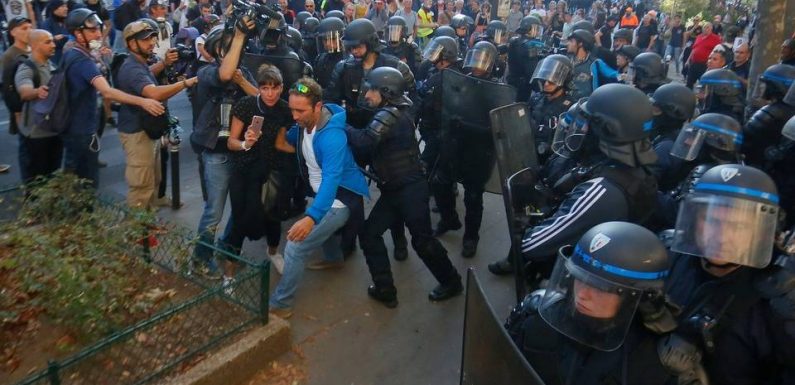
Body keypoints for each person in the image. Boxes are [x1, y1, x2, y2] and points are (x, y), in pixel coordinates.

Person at [489, 84, 658, 277]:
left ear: (604, 131)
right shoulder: (632, 169)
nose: (581, 129)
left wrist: (528, 217)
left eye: (586, 125)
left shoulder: (603, 191)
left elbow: (532, 245)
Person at [665, 164, 795, 385]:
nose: (722, 237)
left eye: (739, 226)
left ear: (762, 231)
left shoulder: (779, 298)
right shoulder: (669, 258)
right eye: (712, 221)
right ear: (694, 220)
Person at [346, 67, 462, 308]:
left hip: (409, 189)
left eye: (372, 89)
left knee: (422, 241)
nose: (367, 93)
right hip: (395, 189)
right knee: (369, 235)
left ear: (386, 91)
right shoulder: (394, 111)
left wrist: (338, 124)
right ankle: (385, 289)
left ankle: (452, 282)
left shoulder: (389, 114)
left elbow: (364, 142)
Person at [506, 221, 676, 385]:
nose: (582, 293)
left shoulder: (654, 361)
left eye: (600, 288)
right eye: (579, 278)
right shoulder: (537, 320)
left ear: (640, 298)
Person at [269, 78, 369, 319]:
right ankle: (335, 259)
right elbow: (288, 139)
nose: (295, 116)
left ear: (317, 106)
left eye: (300, 110)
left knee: (295, 246)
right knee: (317, 217)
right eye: (292, 109)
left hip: (340, 199)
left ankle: (282, 303)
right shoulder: (305, 123)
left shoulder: (332, 137)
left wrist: (311, 218)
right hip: (323, 194)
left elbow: (332, 180)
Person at [61, 9, 164, 188]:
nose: (98, 34)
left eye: (99, 29)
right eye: (92, 31)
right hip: (81, 129)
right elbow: (107, 91)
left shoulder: (76, 54)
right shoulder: (81, 60)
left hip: (78, 126)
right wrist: (143, 101)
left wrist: (99, 57)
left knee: (76, 179)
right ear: (78, 33)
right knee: (85, 184)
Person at [189, 20, 259, 279]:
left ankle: (225, 249)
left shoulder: (243, 72)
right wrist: (239, 34)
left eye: (235, 46)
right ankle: (200, 258)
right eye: (226, 47)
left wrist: (243, 82)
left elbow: (259, 98)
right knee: (214, 211)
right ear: (217, 50)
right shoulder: (207, 71)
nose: (233, 51)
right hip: (216, 153)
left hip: (239, 151)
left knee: (239, 208)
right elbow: (225, 75)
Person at [221, 64, 293, 281]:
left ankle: (273, 253)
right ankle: (229, 274)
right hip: (244, 170)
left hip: (271, 169)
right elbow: (231, 142)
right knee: (240, 220)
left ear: (281, 88)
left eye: (274, 88)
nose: (270, 93)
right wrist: (246, 143)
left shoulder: (284, 109)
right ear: (259, 88)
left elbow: (280, 143)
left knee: (273, 215)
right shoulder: (246, 105)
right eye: (265, 88)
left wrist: (306, 150)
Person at [116, 20, 196, 208]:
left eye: (152, 37)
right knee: (141, 186)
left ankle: (148, 226)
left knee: (153, 179)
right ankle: (138, 234)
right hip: (137, 133)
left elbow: (149, 74)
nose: (151, 42)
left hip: (147, 130)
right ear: (131, 44)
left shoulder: (140, 63)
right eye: (145, 40)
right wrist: (186, 83)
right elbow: (153, 92)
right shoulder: (132, 68)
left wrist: (164, 64)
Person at [431, 40, 500, 258]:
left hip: (479, 151)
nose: (476, 67)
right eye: (474, 61)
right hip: (455, 144)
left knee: (472, 197)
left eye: (482, 63)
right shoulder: (463, 80)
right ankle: (449, 218)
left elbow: (495, 130)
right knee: (440, 184)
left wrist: (465, 125)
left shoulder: (496, 91)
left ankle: (471, 237)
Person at [14, 29, 60, 184]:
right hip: (35, 137)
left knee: (52, 179)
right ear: (34, 45)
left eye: (53, 41)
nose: (53, 45)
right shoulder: (27, 67)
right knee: (35, 183)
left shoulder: (50, 64)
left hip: (53, 133)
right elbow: (24, 91)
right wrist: (36, 91)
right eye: (48, 42)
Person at [743, 64, 795, 168]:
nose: (761, 86)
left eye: (766, 83)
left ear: (776, 86)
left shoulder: (770, 112)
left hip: (757, 167)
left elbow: (744, 139)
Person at [527, 54, 573, 162]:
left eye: (552, 80)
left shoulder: (570, 107)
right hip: (527, 152)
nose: (546, 83)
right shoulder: (536, 99)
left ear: (564, 81)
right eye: (545, 77)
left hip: (549, 160)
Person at [2, 16, 33, 142]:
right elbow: (8, 88)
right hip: (23, 110)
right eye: (24, 28)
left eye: (30, 28)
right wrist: (17, 112)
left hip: (39, 107)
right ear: (13, 32)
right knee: (27, 147)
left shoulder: (34, 49)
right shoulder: (9, 56)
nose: (29, 31)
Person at [506, 15, 545, 102]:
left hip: (511, 80)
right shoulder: (530, 46)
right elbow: (531, 72)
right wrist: (540, 89)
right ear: (530, 28)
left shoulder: (514, 40)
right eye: (536, 28)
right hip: (523, 86)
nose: (538, 31)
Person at [686, 22, 721, 89]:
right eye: (704, 27)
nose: (705, 29)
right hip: (694, 63)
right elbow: (694, 49)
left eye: (707, 27)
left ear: (711, 29)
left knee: (703, 85)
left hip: (704, 64)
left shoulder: (716, 38)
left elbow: (718, 52)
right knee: (689, 82)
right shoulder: (699, 36)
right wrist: (688, 60)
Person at [313, 16, 345, 88]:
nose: (328, 43)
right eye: (325, 39)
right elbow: (312, 85)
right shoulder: (320, 59)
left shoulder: (349, 61)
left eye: (333, 39)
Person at [566, 29, 596, 100]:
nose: (567, 43)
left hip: (582, 105)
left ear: (580, 44)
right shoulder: (566, 59)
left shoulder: (594, 64)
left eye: (571, 41)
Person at [40, 0, 69, 64]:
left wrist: (64, 37)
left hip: (68, 58)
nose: (66, 9)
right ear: (54, 9)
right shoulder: (46, 24)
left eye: (66, 6)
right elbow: (44, 42)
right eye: (63, 6)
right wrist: (54, 39)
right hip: (54, 60)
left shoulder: (68, 22)